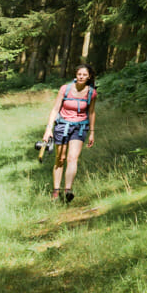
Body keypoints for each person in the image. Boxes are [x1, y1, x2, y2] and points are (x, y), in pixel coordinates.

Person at [41, 65, 97, 203]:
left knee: (72, 158)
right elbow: (55, 109)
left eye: (84, 75)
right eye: (79, 74)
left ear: (89, 76)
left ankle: (68, 190)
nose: (81, 77)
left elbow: (91, 112)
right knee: (60, 158)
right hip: (62, 126)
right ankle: (56, 190)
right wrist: (48, 129)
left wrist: (92, 132)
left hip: (80, 127)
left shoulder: (92, 93)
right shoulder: (65, 89)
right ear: (76, 75)